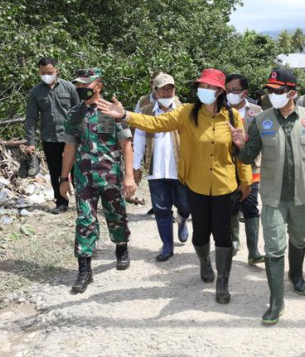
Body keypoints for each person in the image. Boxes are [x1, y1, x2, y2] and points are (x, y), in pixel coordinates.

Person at [97, 68, 251, 305]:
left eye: (210, 87)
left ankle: (223, 282)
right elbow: (155, 123)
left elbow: (240, 150)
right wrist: (125, 115)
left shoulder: (231, 117)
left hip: (225, 186)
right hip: (196, 186)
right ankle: (204, 262)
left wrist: (245, 180)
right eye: (202, 86)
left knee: (223, 235)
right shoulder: (186, 113)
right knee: (200, 235)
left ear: (220, 91)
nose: (204, 91)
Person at [230, 68, 305, 325]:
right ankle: (276, 301)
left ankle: (296, 275)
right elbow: (246, 158)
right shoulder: (262, 120)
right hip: (273, 197)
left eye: (278, 91)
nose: (272, 95)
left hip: (302, 196)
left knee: (298, 239)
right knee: (274, 248)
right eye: (270, 90)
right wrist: (241, 144)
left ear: (292, 92)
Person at [59, 68, 136, 293]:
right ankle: (84, 270)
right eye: (79, 86)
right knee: (85, 220)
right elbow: (70, 147)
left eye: (86, 85)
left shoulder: (112, 111)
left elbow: (126, 145)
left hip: (110, 175)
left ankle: (121, 246)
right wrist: (64, 179)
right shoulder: (74, 114)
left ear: (98, 86)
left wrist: (129, 177)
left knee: (116, 215)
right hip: (84, 178)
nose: (82, 90)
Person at [132, 72, 190, 262]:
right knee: (161, 208)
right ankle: (167, 245)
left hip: (180, 169)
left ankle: (182, 218)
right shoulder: (146, 111)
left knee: (185, 204)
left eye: (170, 88)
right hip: (156, 170)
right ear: (155, 92)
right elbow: (139, 138)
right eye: (163, 89)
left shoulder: (185, 111)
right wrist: (136, 166)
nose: (167, 92)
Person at [24, 57, 79, 214]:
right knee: (55, 171)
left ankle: (82, 201)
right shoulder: (36, 92)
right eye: (43, 73)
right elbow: (31, 118)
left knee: (76, 170)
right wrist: (31, 141)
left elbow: (80, 111)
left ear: (56, 71)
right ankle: (61, 202)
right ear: (39, 73)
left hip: (71, 137)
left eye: (49, 72)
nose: (46, 75)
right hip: (50, 137)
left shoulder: (69, 88)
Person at [225, 74, 265, 264]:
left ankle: (254, 250)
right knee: (231, 206)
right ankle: (234, 241)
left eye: (235, 90)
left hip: (252, 167)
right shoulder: (220, 111)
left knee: (250, 207)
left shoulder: (257, 112)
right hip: (227, 168)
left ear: (245, 92)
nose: (231, 94)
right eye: (228, 90)